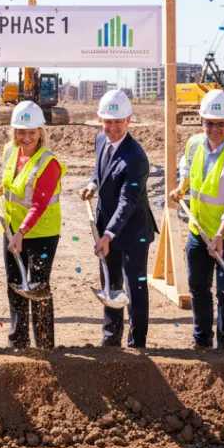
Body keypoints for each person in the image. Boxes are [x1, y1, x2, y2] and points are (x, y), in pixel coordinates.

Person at [169, 90, 224, 350]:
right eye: (209, 122)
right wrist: (181, 188)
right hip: (199, 229)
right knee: (197, 286)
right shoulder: (194, 144)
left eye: (221, 123)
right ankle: (202, 341)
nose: (214, 129)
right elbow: (187, 167)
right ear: (201, 120)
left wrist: (219, 235)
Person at [79, 90, 157, 348]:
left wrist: (108, 235)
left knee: (135, 287)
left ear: (129, 120)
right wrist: (92, 184)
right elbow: (98, 170)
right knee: (110, 284)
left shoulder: (136, 158)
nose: (111, 127)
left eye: (117, 122)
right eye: (107, 121)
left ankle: (138, 343)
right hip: (107, 229)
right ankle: (111, 340)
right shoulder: (101, 139)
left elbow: (127, 202)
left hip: (133, 231)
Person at [0, 101, 64, 349]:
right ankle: (18, 340)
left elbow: (38, 205)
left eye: (31, 132)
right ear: (14, 131)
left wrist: (22, 232)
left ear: (41, 131)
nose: (26, 137)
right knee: (16, 285)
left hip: (41, 233)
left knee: (38, 287)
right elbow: (14, 184)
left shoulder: (48, 163)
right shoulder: (10, 150)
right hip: (12, 230)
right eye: (21, 131)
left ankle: (44, 344)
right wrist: (0, 189)